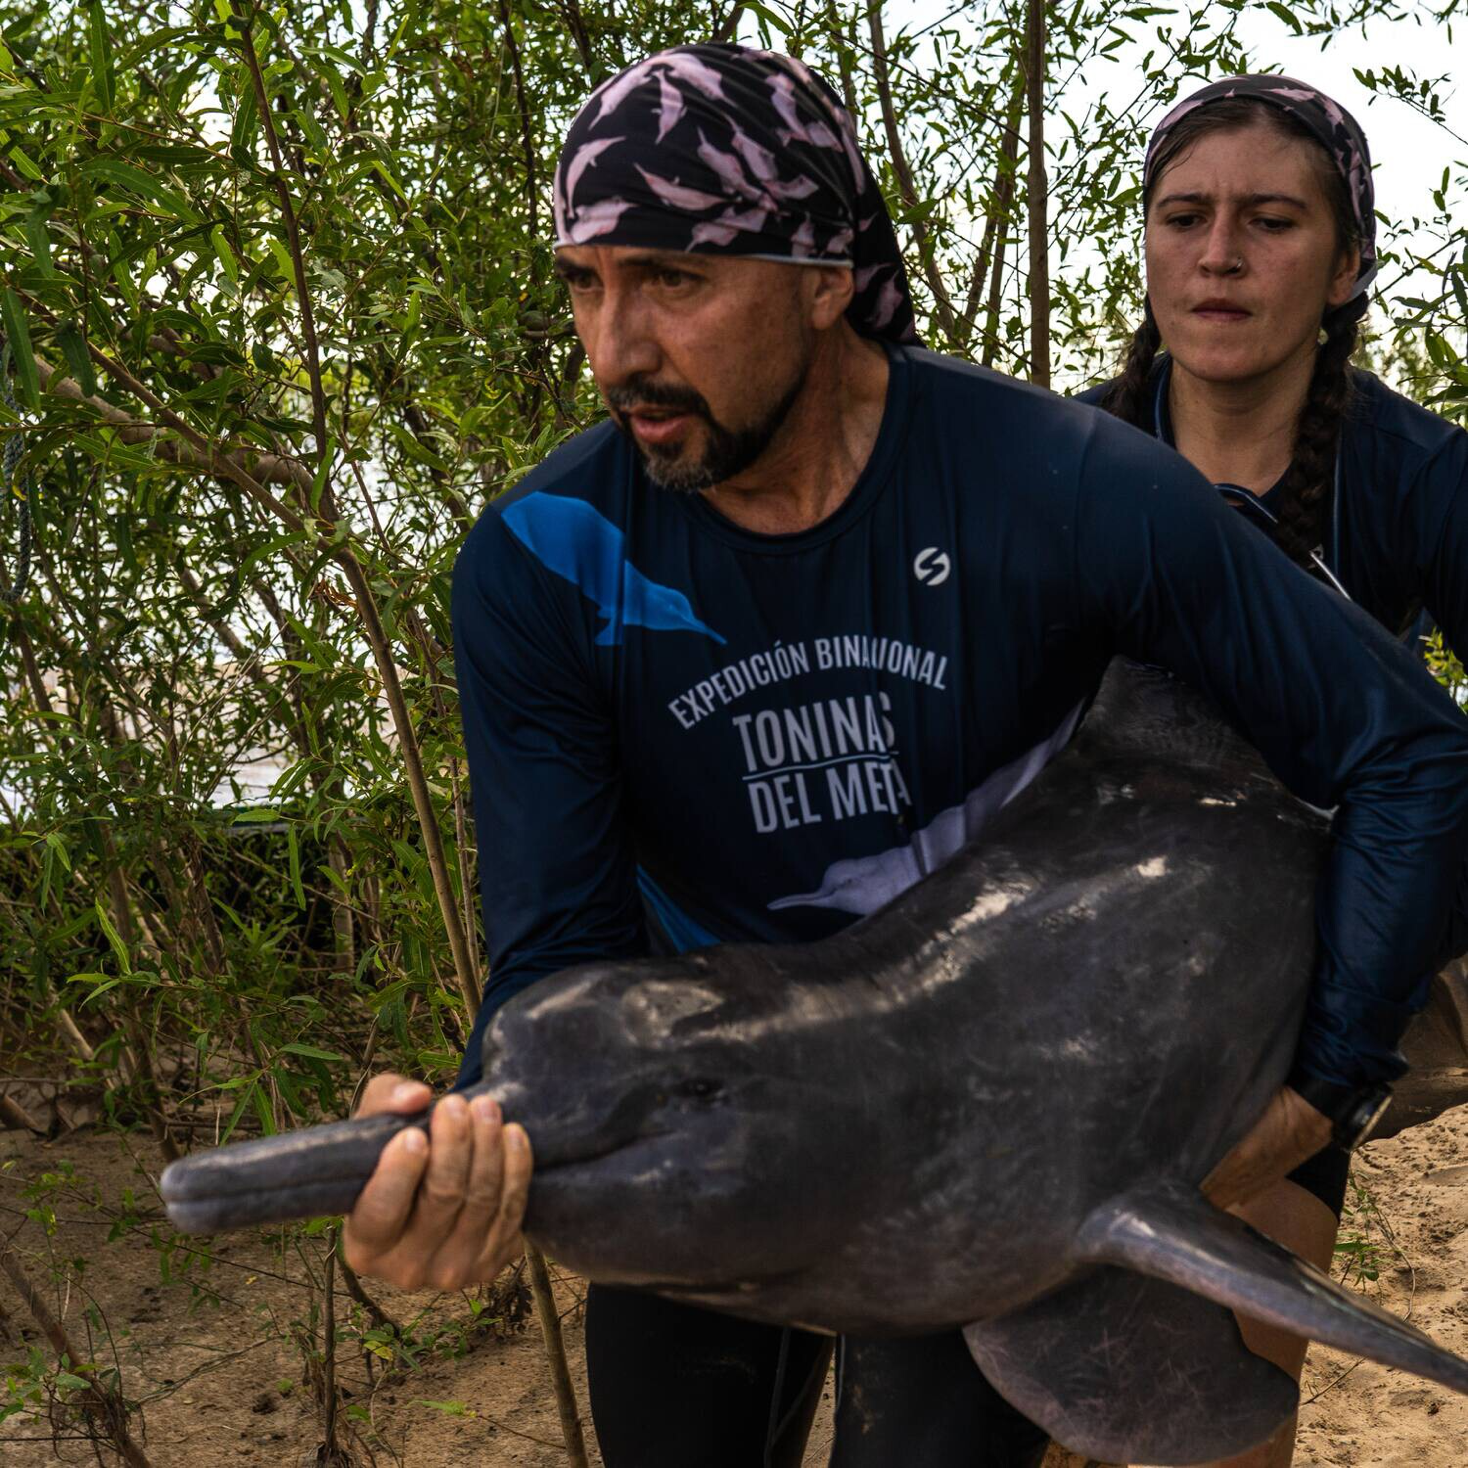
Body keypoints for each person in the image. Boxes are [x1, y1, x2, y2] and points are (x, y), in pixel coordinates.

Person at [340, 45, 1468, 1467]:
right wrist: (504, 1138)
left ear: (823, 277)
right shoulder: (542, 560)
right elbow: (561, 952)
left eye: (675, 279)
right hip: (726, 1119)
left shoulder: (1068, 486)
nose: (615, 347)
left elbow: (1415, 758)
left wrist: (1316, 1095)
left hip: (985, 1133)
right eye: (586, 280)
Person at [1080, 75, 1468, 1468]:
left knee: (1212, 1404)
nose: (1219, 252)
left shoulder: (1418, 476)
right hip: (1071, 986)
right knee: (1032, 1409)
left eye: (1269, 219)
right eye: (1183, 216)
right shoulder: (1060, 463)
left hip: (1288, 1003)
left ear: (1348, 261)